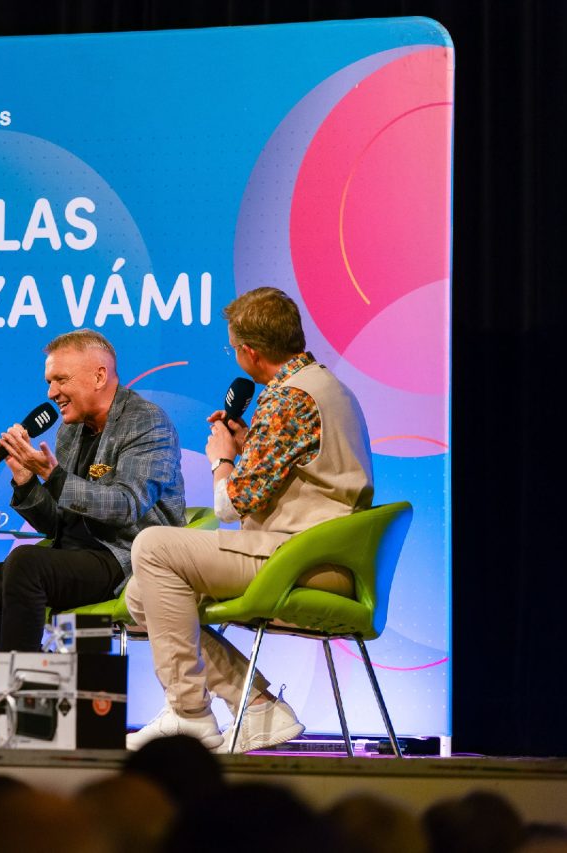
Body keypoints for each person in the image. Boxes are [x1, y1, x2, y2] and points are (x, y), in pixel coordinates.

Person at [126, 287, 373, 752]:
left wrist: (222, 458)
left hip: (301, 558)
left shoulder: (286, 400)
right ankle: (256, 705)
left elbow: (229, 505)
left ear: (249, 353)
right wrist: (249, 449)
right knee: (143, 593)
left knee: (152, 547)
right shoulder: (326, 386)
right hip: (326, 555)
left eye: (233, 348)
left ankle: (189, 714)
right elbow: (297, 470)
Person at [0, 329, 185, 722]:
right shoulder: (70, 430)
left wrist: (53, 475)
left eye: (61, 380)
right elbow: (56, 524)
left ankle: (18, 705)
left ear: (99, 375)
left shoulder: (145, 422)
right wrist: (26, 480)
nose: (51, 393)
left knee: (27, 563)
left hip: (124, 556)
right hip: (73, 556)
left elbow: (126, 505)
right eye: (49, 381)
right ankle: (45, 690)